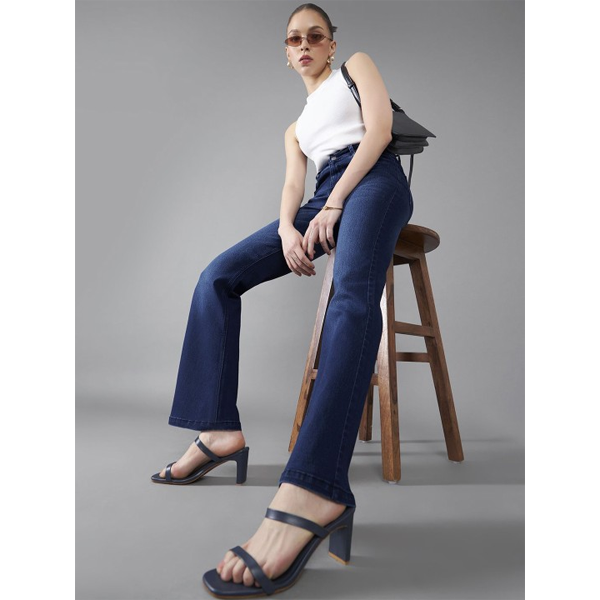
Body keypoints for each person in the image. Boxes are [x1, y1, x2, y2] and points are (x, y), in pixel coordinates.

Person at [152, 3, 414, 596]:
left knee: (352, 299)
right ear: (287, 52)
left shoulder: (356, 66)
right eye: (294, 39)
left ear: (331, 44)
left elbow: (378, 133)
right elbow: (294, 185)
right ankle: (218, 432)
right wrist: (289, 229)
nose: (304, 45)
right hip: (320, 195)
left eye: (315, 36)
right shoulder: (295, 129)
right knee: (217, 277)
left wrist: (335, 204)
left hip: (372, 179)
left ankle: (316, 487)